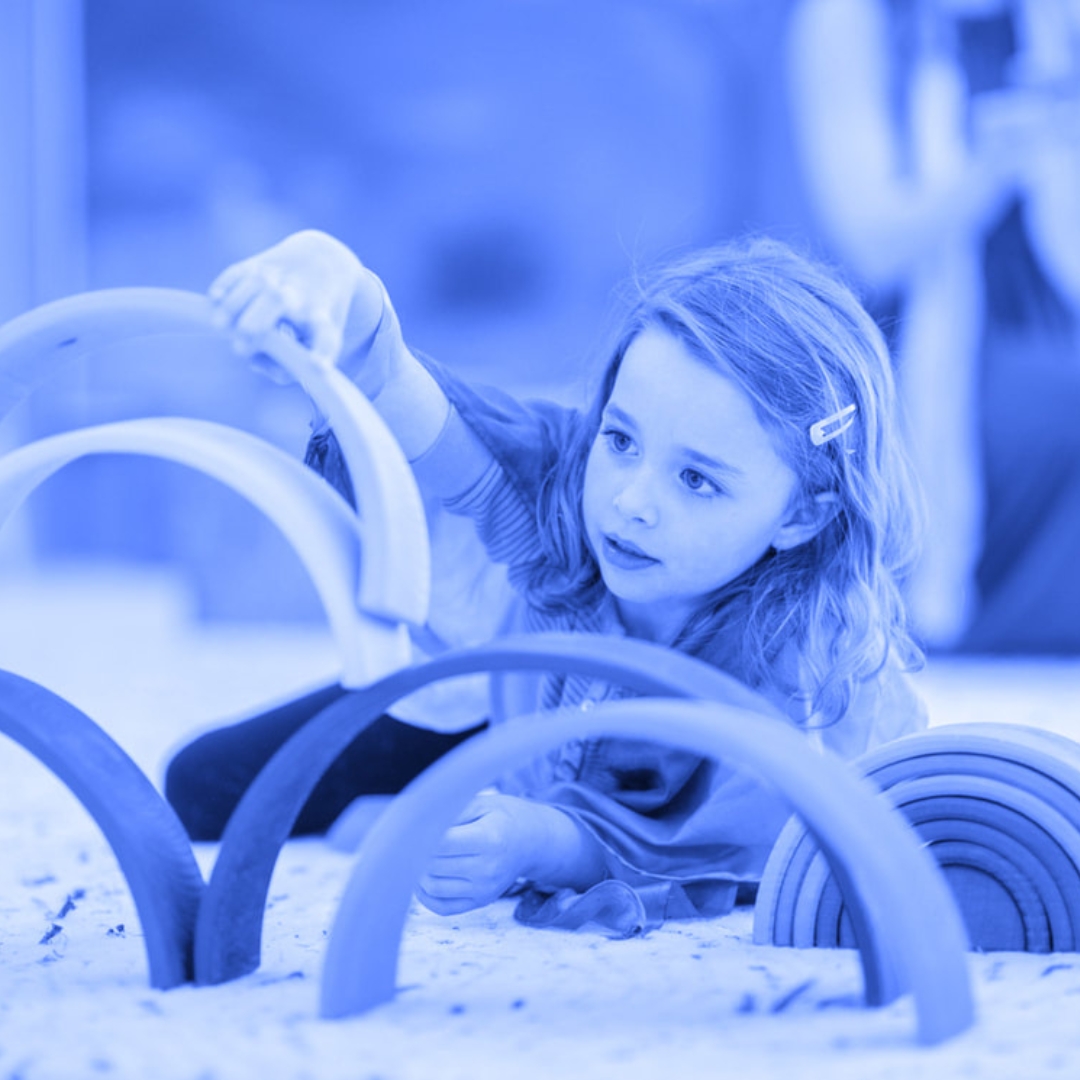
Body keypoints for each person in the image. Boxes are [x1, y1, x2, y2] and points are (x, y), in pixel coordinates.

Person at [166, 228, 927, 931]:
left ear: (801, 513)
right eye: (622, 439)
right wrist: (324, 283)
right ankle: (450, 778)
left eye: (697, 480)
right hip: (508, 710)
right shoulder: (568, 492)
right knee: (204, 786)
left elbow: (724, 844)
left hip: (623, 782)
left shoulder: (808, 670)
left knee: (487, 817)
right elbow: (395, 383)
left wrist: (539, 843)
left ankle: (469, 798)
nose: (631, 502)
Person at [787, 0, 1080, 652]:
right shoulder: (851, 20)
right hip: (926, 337)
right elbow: (873, 243)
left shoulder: (1055, 19)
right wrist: (995, 166)